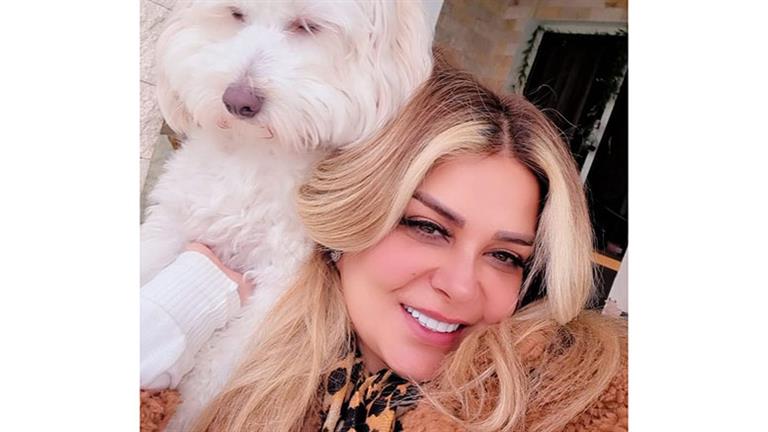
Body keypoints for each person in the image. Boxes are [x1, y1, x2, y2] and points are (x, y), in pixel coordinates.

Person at [173, 54, 628, 432]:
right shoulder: (228, 355)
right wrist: (176, 310)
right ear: (351, 217)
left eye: (504, 256)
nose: (460, 286)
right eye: (428, 228)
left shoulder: (570, 397)